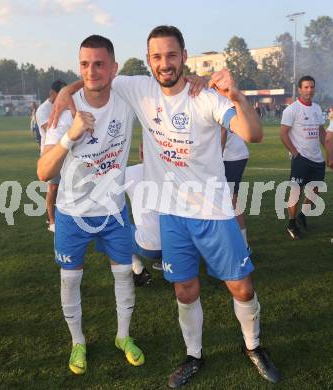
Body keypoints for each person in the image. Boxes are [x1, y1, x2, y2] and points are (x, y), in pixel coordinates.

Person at [51, 25, 280, 387]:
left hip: (215, 212)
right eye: (157, 57)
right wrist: (66, 91)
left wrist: (235, 94)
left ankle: (254, 346)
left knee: (242, 288)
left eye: (171, 55)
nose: (164, 63)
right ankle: (193, 355)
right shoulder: (137, 87)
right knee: (184, 291)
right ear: (148, 61)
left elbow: (253, 133)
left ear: (183, 56)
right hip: (172, 214)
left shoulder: (205, 96)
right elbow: (96, 76)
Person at [37, 35, 145, 375]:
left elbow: (168, 81)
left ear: (114, 68)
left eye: (99, 64)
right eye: (84, 64)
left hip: (113, 211)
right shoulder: (64, 113)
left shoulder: (127, 97)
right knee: (70, 280)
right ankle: (77, 342)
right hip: (71, 214)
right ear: (78, 66)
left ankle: (123, 336)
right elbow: (43, 172)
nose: (91, 70)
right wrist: (71, 135)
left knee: (124, 275)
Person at [280, 76, 326, 240]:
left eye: (311, 87)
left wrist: (328, 150)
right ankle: (291, 224)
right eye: (306, 87)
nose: (309, 90)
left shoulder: (317, 108)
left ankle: (303, 215)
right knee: (295, 192)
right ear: (300, 89)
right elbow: (283, 134)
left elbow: (321, 131)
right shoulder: (291, 110)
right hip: (301, 158)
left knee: (315, 191)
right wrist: (294, 153)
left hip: (318, 159)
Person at [36, 79, 67, 232]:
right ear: (52, 93)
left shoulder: (64, 106)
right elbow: (49, 129)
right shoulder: (43, 109)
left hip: (66, 151)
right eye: (61, 93)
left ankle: (64, 217)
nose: (64, 96)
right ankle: (52, 221)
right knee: (53, 187)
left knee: (66, 186)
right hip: (50, 154)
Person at [125, 163, 162, 286]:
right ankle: (171, 262)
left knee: (109, 230)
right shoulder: (175, 169)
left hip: (149, 248)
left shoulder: (129, 172)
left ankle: (138, 270)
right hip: (178, 244)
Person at [221, 127, 250, 251]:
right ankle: (239, 243)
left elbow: (222, 131)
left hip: (232, 157)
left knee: (231, 200)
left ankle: (243, 245)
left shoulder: (220, 107)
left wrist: (216, 157)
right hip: (233, 156)